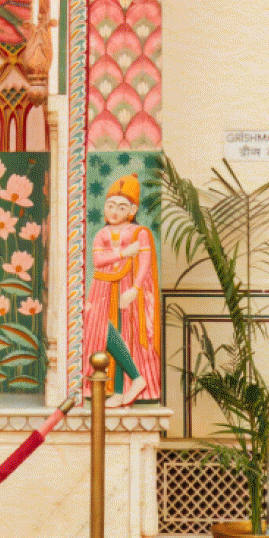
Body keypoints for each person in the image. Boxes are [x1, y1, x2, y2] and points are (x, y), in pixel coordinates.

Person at [84, 173, 164, 408]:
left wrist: (135, 290)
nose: (114, 211)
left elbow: (145, 263)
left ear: (133, 209)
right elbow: (98, 261)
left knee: (125, 334)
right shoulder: (102, 234)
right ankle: (134, 378)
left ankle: (122, 389)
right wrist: (123, 253)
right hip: (102, 287)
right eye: (110, 205)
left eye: (121, 207)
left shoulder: (139, 233)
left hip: (127, 287)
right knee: (105, 332)